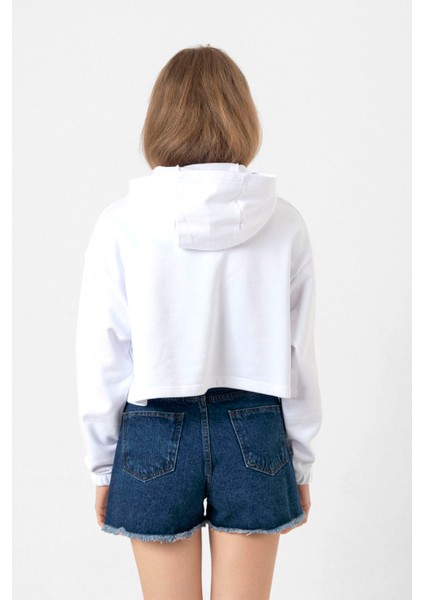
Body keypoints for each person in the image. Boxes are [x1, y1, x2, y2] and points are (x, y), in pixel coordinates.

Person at [75, 44, 323, 600]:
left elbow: (104, 354)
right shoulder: (283, 223)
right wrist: (301, 462)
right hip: (256, 428)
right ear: (243, 117)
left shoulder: (121, 223)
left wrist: (103, 465)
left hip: (153, 430)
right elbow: (299, 356)